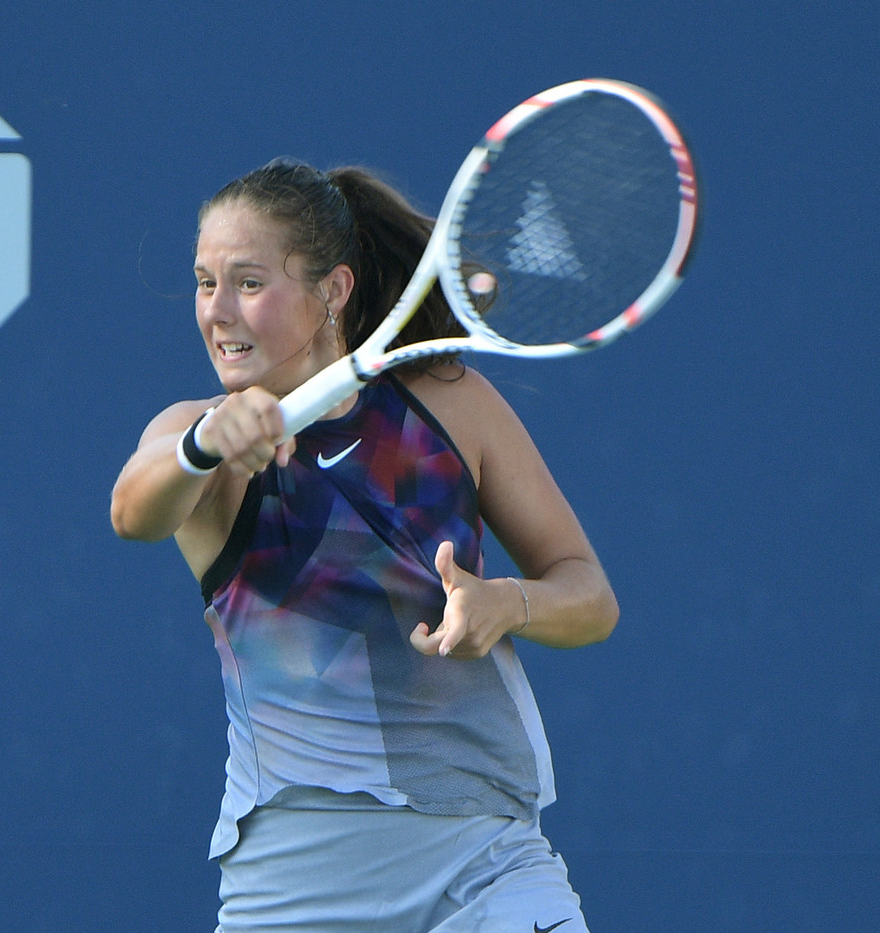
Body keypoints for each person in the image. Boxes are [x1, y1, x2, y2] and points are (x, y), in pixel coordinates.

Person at [110, 158, 619, 933]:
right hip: (293, 886)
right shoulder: (194, 439)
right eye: (204, 282)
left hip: (484, 861)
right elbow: (133, 510)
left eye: (248, 282)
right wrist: (205, 442)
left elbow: (589, 595)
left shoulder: (451, 403)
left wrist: (506, 603)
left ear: (334, 290)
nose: (218, 311)